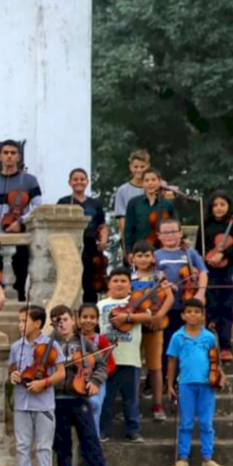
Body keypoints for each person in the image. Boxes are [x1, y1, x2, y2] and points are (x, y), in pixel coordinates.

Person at [49, 305, 124, 466]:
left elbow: (101, 365)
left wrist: (95, 382)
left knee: (91, 440)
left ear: (72, 320)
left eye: (64, 319)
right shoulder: (48, 343)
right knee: (62, 444)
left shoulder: (84, 343)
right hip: (57, 399)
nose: (62, 324)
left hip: (79, 398)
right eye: (57, 320)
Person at [8, 305, 64, 466]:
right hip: (22, 402)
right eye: (19, 321)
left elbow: (60, 372)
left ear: (38, 323)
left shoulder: (52, 345)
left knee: (43, 446)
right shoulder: (16, 347)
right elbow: (13, 369)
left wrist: (44, 382)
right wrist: (13, 375)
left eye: (24, 321)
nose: (20, 324)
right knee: (22, 445)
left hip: (43, 404)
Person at [167, 299, 226, 466]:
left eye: (197, 312)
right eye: (189, 312)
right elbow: (172, 361)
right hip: (185, 383)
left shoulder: (209, 336)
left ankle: (207, 458)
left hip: (207, 384)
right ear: (183, 315)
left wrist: (221, 375)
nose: (193, 315)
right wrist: (170, 384)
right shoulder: (178, 336)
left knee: (207, 423)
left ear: (202, 315)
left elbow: (216, 360)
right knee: (185, 422)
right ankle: (183, 457)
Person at [154, 218, 209, 394]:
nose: (170, 236)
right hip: (164, 307)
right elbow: (152, 276)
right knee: (166, 344)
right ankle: (162, 381)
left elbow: (203, 272)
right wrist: (164, 283)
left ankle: (184, 379)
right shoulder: (156, 255)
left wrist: (200, 293)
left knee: (186, 343)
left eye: (173, 231)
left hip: (186, 306)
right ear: (159, 236)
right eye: (165, 232)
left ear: (180, 233)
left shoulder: (190, 253)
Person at [98, 267, 153, 443]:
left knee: (131, 399)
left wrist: (127, 318)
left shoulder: (136, 303)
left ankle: (134, 431)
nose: (119, 284)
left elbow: (149, 317)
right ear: (109, 284)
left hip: (130, 358)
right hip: (107, 360)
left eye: (123, 281)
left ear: (130, 285)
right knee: (106, 398)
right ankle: (103, 431)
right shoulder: (101, 304)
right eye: (115, 281)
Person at [0, 140, 42, 302]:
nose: (9, 156)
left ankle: (21, 309)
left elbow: (37, 207)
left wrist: (21, 221)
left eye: (13, 153)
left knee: (20, 275)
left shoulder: (29, 181)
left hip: (21, 236)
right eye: (6, 153)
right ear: (0, 157)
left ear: (18, 157)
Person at [129, 240, 175, 422]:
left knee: (155, 367)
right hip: (132, 327)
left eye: (147, 255)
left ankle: (157, 404)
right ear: (132, 258)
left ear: (153, 257)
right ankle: (131, 405)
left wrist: (159, 315)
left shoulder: (159, 276)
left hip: (154, 327)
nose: (143, 259)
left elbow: (169, 298)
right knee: (132, 366)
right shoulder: (128, 277)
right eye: (139, 255)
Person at [197, 190, 233, 362]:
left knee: (227, 307)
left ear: (228, 206)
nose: (219, 208)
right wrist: (208, 258)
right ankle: (210, 346)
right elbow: (200, 246)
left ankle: (226, 347)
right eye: (215, 205)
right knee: (211, 307)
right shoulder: (206, 224)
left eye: (222, 204)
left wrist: (223, 255)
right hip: (211, 270)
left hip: (229, 268)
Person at [58, 168, 109, 302]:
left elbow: (102, 226)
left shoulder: (95, 204)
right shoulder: (63, 202)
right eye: (75, 179)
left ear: (87, 182)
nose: (79, 182)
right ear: (69, 182)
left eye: (82, 179)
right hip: (70, 246)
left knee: (90, 280)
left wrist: (103, 241)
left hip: (91, 246)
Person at [78, 303, 115, 438]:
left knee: (95, 407)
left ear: (97, 319)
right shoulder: (74, 340)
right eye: (84, 317)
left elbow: (110, 364)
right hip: (78, 380)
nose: (88, 320)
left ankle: (94, 441)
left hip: (98, 381)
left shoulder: (102, 340)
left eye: (92, 317)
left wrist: (98, 377)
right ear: (78, 319)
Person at [122, 168, 177, 253]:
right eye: (146, 180)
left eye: (153, 180)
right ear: (142, 184)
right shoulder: (134, 203)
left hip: (164, 249)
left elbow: (175, 225)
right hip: (140, 250)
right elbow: (129, 229)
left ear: (159, 182)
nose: (150, 183)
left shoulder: (167, 204)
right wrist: (129, 251)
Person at [114, 149, 151, 251]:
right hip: (132, 237)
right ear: (130, 167)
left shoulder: (154, 187)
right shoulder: (123, 190)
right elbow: (121, 218)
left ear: (148, 166)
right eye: (136, 167)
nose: (139, 170)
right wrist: (126, 241)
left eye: (142, 167)